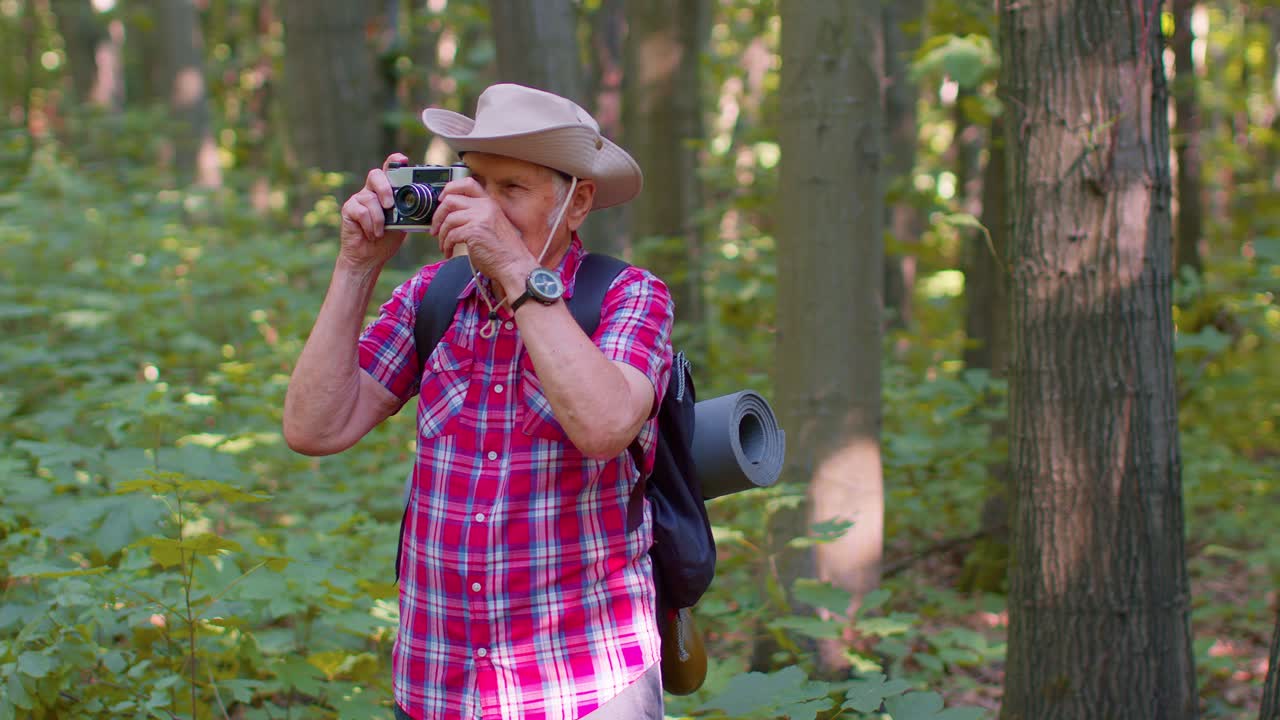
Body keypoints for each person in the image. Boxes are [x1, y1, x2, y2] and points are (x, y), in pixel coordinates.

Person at [282, 83, 674, 720]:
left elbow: (603, 426)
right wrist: (357, 265)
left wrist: (514, 267)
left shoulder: (628, 297)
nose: (483, 207)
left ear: (579, 202)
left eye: (511, 189)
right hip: (441, 681)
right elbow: (313, 428)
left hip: (586, 688)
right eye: (476, 182)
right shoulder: (432, 298)